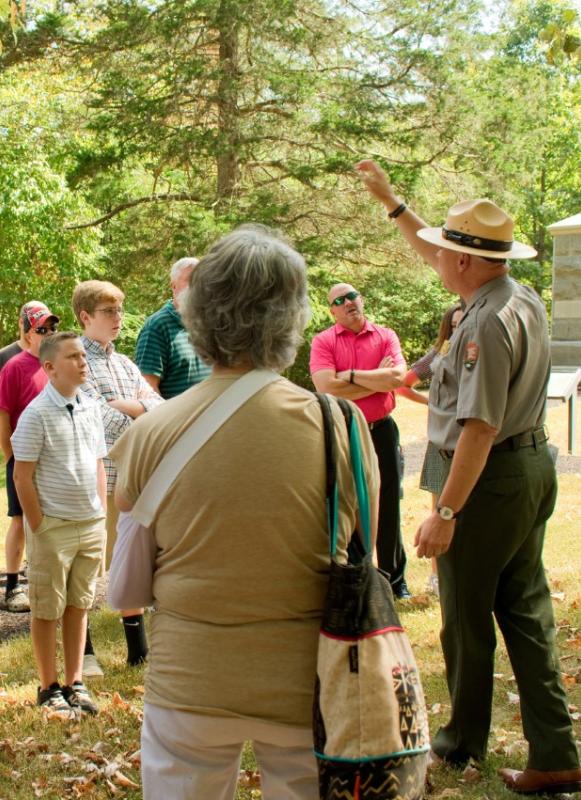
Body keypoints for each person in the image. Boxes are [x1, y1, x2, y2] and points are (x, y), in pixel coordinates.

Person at [109, 224, 380, 800]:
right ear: (295, 316)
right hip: (310, 680)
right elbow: (365, 551)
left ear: (198, 315)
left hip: (189, 682)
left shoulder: (148, 432)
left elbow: (127, 586)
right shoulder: (343, 427)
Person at [356, 159, 581, 796]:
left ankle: (459, 744)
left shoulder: (482, 321)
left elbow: (478, 429)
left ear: (465, 263)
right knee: (525, 607)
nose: (439, 260)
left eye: (449, 253)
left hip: (489, 477)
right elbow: (436, 252)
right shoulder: (514, 294)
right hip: (531, 466)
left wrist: (445, 513)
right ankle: (556, 751)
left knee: (465, 612)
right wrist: (393, 203)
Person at [12, 332, 107, 717]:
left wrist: (99, 509)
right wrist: (40, 525)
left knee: (78, 605)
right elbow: (22, 477)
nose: (83, 362)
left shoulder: (91, 406)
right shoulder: (36, 414)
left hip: (90, 522)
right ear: (50, 368)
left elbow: (98, 462)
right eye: (73, 357)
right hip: (54, 528)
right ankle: (49, 686)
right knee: (47, 608)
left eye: (83, 355)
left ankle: (75, 682)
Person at [72, 280, 163, 674]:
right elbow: (100, 419)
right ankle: (86, 652)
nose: (118, 319)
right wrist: (142, 411)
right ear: (85, 316)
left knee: (134, 561)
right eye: (109, 312)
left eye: (120, 311)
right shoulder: (76, 361)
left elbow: (163, 410)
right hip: (97, 479)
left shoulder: (124, 363)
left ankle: (137, 650)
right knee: (91, 566)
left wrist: (133, 407)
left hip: (135, 479)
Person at [309, 283, 411, 599]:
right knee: (346, 502)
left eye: (352, 296)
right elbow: (326, 386)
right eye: (340, 300)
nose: (348, 302)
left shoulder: (385, 336)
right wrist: (374, 381)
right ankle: (356, 574)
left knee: (390, 501)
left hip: (382, 429)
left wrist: (349, 376)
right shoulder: (323, 341)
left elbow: (398, 377)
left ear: (361, 300)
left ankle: (394, 580)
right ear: (333, 311)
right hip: (344, 429)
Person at [398, 303, 463, 596]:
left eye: (465, 322)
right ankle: (437, 578)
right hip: (441, 442)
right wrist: (433, 405)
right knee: (438, 507)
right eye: (455, 324)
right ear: (447, 328)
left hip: (469, 441)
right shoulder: (439, 354)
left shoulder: (479, 351)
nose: (459, 329)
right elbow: (402, 386)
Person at [0, 302, 59, 613]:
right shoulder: (11, 363)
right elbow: (4, 416)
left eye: (52, 329)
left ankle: (42, 579)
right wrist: (12, 457)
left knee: (48, 521)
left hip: (53, 459)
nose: (48, 334)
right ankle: (12, 586)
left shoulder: (55, 362)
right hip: (23, 458)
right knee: (21, 520)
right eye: (41, 329)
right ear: (27, 330)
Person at [135, 257, 211, 398]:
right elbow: (147, 388)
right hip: (181, 419)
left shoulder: (208, 323)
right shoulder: (157, 327)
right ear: (173, 286)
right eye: (190, 279)